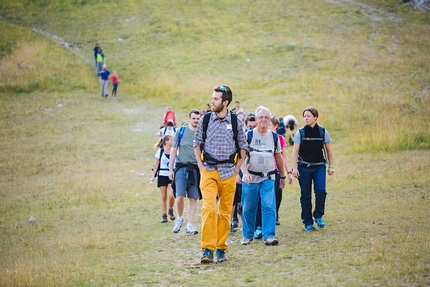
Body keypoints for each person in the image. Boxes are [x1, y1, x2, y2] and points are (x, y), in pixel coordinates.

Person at [194, 85, 248, 264]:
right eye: (212, 97)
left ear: (225, 102)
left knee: (225, 213)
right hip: (208, 171)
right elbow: (197, 142)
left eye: (216, 99)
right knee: (208, 208)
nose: (212, 101)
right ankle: (207, 249)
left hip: (229, 172)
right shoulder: (206, 119)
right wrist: (201, 165)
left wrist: (236, 169)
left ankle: (221, 248)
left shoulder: (236, 122)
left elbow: (243, 148)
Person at [239, 106, 287, 246]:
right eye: (261, 117)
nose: (264, 120)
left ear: (270, 119)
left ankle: (269, 236)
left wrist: (282, 177)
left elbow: (279, 157)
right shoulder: (248, 135)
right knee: (248, 207)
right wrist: (245, 173)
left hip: (268, 178)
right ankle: (247, 236)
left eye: (266, 117)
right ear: (256, 119)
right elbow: (240, 158)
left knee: (268, 206)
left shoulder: (274, 137)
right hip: (251, 178)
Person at [291, 106, 335, 231]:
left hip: (319, 167)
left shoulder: (322, 132)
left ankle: (318, 215)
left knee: (321, 191)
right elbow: (295, 152)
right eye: (304, 116)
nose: (306, 118)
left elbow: (329, 150)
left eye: (309, 116)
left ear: (315, 117)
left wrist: (331, 166)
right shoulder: (301, 133)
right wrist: (295, 168)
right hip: (304, 168)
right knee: (306, 195)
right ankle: (307, 222)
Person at [169, 109, 202, 235]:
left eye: (198, 119)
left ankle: (190, 225)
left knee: (193, 198)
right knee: (180, 195)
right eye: (193, 118)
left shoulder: (202, 133)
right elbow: (173, 150)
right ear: (189, 118)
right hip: (181, 167)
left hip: (195, 169)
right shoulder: (181, 131)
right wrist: (170, 169)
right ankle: (180, 218)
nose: (195, 121)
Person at [150, 135, 176, 223]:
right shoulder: (160, 151)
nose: (173, 141)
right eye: (172, 140)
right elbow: (156, 165)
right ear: (166, 141)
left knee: (172, 195)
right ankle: (164, 215)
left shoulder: (175, 150)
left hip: (171, 174)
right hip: (162, 174)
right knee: (163, 196)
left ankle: (171, 209)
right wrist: (153, 176)